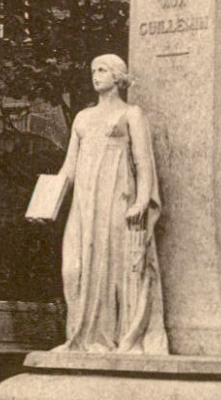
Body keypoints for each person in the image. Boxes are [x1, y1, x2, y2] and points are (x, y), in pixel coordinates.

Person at [54, 55, 169, 354]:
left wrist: (142, 201)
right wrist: (47, 201)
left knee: (110, 269)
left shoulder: (132, 114)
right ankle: (80, 335)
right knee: (73, 269)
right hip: (84, 203)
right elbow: (68, 168)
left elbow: (144, 164)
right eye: (93, 70)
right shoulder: (82, 118)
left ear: (118, 76)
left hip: (116, 200)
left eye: (102, 70)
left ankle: (102, 338)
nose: (96, 76)